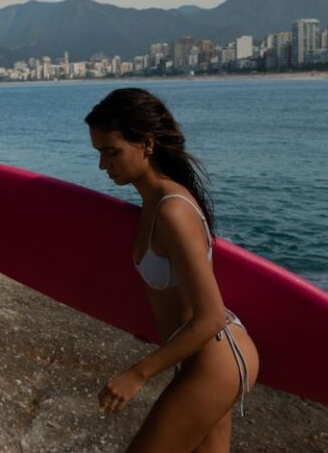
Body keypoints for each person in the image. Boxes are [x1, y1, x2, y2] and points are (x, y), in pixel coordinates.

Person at [86, 88, 259, 453]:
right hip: (196, 358)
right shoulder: (150, 205)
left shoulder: (172, 210)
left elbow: (210, 317)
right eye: (99, 153)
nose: (103, 166)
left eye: (111, 152)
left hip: (214, 360)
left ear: (146, 144)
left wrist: (138, 374)